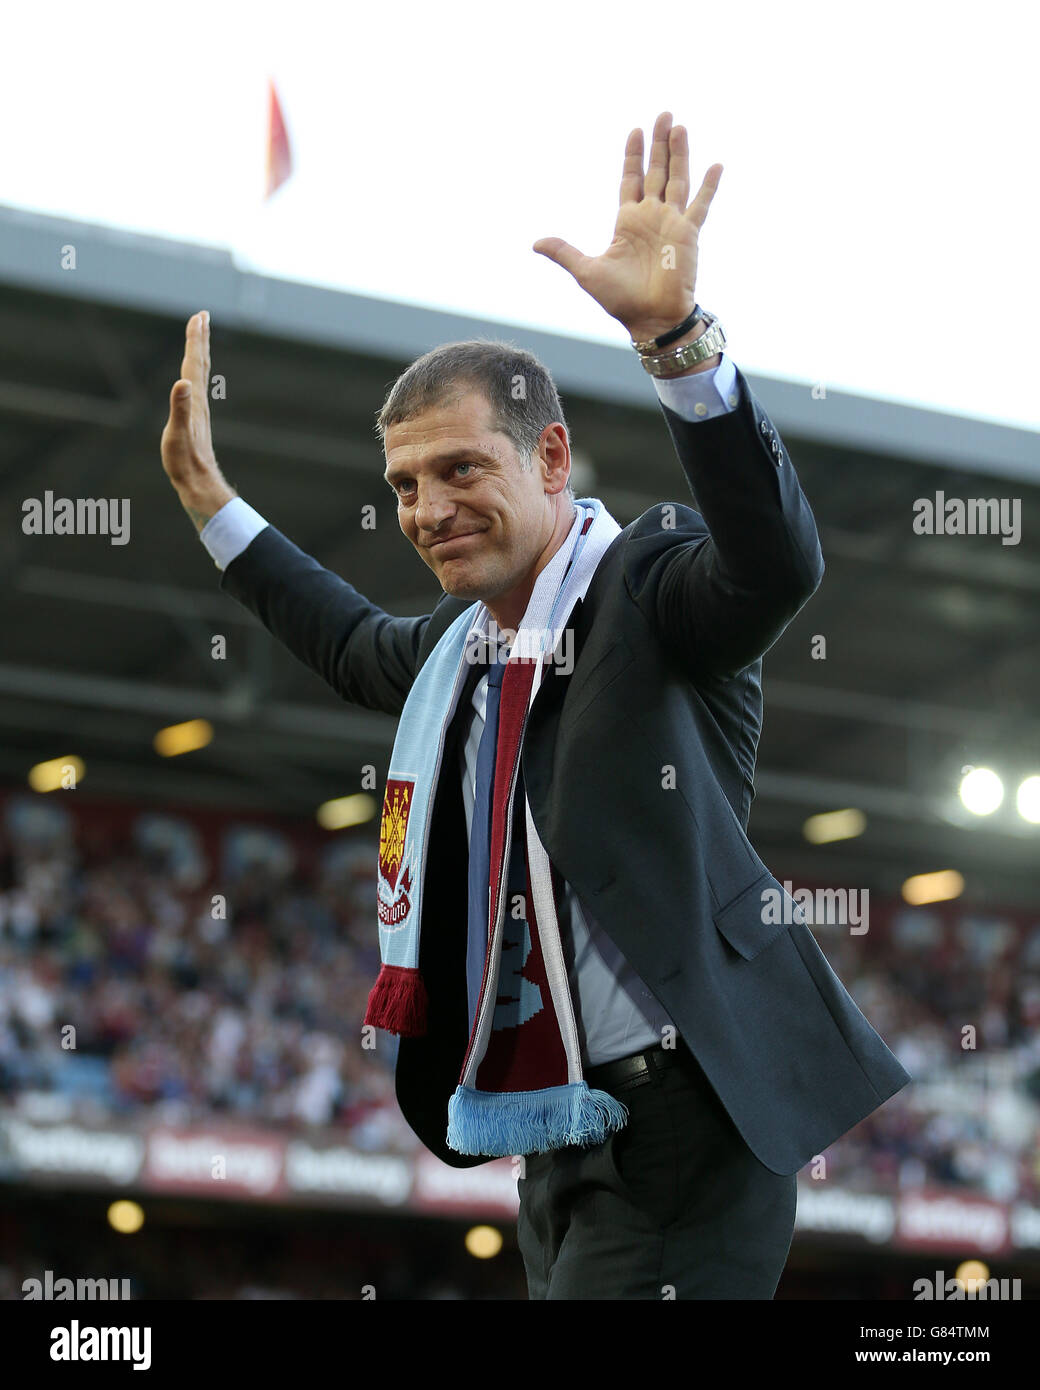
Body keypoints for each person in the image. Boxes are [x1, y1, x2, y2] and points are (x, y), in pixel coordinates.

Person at [160, 111, 910, 1299]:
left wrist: (673, 341)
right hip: (554, 1137)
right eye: (404, 484)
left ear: (551, 460)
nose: (426, 508)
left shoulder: (648, 588)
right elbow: (348, 638)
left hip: (685, 1129)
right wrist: (213, 507)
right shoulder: (460, 656)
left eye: (462, 468)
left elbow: (771, 566)